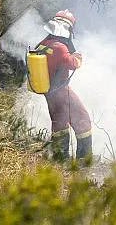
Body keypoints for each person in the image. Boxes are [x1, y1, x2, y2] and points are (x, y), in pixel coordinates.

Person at [35, 9, 92, 163]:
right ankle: (84, 160)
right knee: (83, 119)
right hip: (61, 90)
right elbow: (73, 64)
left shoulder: (42, 44)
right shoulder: (60, 47)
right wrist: (78, 55)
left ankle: (61, 160)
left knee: (59, 123)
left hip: (49, 93)